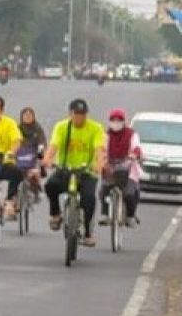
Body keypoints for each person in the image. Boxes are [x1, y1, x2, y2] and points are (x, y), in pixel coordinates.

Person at [43, 98, 106, 247]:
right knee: (50, 185)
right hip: (66, 169)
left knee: (89, 199)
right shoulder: (62, 127)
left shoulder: (95, 128)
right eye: (76, 114)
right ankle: (55, 214)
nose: (79, 117)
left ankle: (88, 233)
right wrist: (48, 159)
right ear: (70, 114)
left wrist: (98, 164)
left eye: (83, 114)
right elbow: (54, 145)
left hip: (86, 172)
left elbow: (99, 149)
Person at [98, 108, 142, 226]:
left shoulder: (131, 134)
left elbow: (136, 147)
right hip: (110, 168)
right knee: (104, 190)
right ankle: (105, 214)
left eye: (119, 120)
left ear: (123, 121)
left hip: (127, 168)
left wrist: (134, 155)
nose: (116, 123)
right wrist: (102, 159)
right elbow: (101, 149)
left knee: (129, 193)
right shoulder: (106, 135)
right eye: (113, 120)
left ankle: (130, 216)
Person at [17, 107, 47, 195]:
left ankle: (36, 187)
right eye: (25, 116)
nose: (27, 117)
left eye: (30, 115)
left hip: (33, 153)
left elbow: (42, 142)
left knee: (34, 173)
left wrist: (40, 154)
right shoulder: (17, 128)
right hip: (20, 153)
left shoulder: (37, 129)